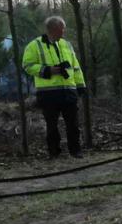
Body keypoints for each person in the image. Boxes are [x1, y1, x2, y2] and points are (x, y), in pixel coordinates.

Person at [22, 16, 87, 159]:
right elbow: (27, 66)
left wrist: (81, 86)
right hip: (48, 93)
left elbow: (76, 67)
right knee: (52, 125)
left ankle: (75, 151)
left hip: (69, 90)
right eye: (61, 29)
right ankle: (54, 152)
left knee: (73, 124)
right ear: (53, 29)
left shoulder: (67, 45)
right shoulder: (34, 45)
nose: (63, 32)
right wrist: (47, 70)